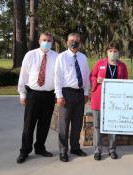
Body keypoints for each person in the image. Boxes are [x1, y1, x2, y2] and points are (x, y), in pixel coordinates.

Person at [16, 32, 58, 163]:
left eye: (49, 40)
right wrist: (22, 94)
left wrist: (58, 94)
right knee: (29, 125)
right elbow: (23, 75)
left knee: (44, 124)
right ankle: (24, 150)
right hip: (33, 94)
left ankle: (40, 147)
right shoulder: (30, 55)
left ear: (52, 42)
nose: (46, 42)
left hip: (49, 95)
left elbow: (58, 77)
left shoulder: (57, 57)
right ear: (39, 41)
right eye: (44, 40)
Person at [54, 33, 90, 162]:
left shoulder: (83, 57)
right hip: (66, 93)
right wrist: (59, 96)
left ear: (79, 42)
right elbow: (57, 78)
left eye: (76, 40)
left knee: (77, 124)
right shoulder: (61, 57)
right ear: (67, 42)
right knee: (64, 124)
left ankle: (75, 147)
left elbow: (86, 76)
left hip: (80, 94)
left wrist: (86, 92)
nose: (74, 42)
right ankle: (63, 151)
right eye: (71, 40)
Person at [90, 43, 128, 161]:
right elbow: (92, 76)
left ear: (118, 53)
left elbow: (126, 80)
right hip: (99, 99)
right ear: (107, 52)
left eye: (115, 50)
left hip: (115, 101)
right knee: (97, 126)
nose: (113, 53)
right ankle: (97, 150)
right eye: (110, 50)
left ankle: (112, 149)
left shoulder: (122, 66)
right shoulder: (100, 63)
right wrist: (96, 80)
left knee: (112, 126)